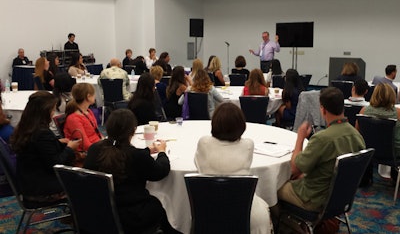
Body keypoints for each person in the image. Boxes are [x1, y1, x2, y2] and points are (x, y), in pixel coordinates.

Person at [83, 109, 181, 234]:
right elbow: (160, 172)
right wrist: (162, 152)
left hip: (98, 210)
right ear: (133, 131)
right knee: (160, 204)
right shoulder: (135, 156)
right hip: (132, 216)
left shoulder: (94, 149)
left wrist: (146, 151)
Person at [276, 87, 365, 216]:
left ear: (323, 109)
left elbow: (295, 168)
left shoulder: (322, 139)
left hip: (313, 199)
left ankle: (288, 226)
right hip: (340, 198)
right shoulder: (357, 136)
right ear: (343, 107)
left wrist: (300, 138)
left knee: (272, 188)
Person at [195, 102, 272, 234]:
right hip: (245, 211)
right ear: (241, 125)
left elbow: (197, 164)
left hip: (208, 210)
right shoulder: (248, 145)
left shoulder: (204, 143)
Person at [10, 91, 80, 206]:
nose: (53, 114)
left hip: (28, 182)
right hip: (41, 189)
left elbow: (36, 150)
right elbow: (57, 165)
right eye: (52, 110)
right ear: (45, 112)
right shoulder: (42, 133)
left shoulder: (26, 127)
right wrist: (69, 148)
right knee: (88, 183)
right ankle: (80, 219)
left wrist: (57, 142)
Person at [357, 83, 400, 158]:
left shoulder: (363, 111)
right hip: (393, 155)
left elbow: (357, 133)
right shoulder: (398, 113)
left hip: (368, 152)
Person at [64, 83, 102, 151]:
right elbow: (85, 145)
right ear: (88, 96)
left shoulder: (88, 111)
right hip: (89, 152)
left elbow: (97, 132)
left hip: (96, 145)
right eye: (94, 94)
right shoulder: (73, 119)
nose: (95, 96)